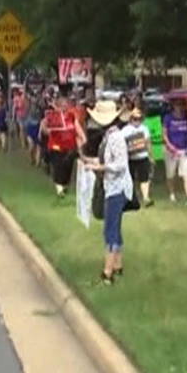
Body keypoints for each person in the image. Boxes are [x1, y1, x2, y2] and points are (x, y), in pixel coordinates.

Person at [83, 101, 131, 285]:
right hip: (112, 187)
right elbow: (106, 159)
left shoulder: (116, 138)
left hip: (116, 189)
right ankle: (117, 265)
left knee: (110, 229)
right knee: (115, 227)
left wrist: (101, 166)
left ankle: (108, 272)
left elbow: (120, 164)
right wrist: (90, 161)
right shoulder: (109, 136)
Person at [41, 93, 84, 198]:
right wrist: (48, 130)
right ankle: (59, 189)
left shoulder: (71, 116)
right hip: (56, 146)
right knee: (58, 167)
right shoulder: (52, 116)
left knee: (67, 169)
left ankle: (64, 186)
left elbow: (77, 128)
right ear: (58, 105)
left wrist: (81, 138)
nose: (64, 107)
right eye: (62, 105)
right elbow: (44, 127)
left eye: (66, 105)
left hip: (70, 147)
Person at [163, 98, 187, 206]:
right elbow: (164, 134)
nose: (180, 107)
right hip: (171, 151)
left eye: (182, 104)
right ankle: (172, 194)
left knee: (186, 174)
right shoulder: (168, 118)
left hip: (185, 149)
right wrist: (170, 146)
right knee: (171, 174)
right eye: (178, 104)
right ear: (173, 105)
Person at [120, 109, 155, 207]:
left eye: (139, 119)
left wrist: (151, 156)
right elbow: (121, 144)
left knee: (144, 178)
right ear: (131, 119)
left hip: (143, 157)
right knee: (130, 179)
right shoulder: (125, 130)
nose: (137, 121)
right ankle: (129, 198)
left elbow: (148, 143)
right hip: (130, 158)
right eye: (135, 118)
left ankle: (146, 198)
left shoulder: (144, 129)